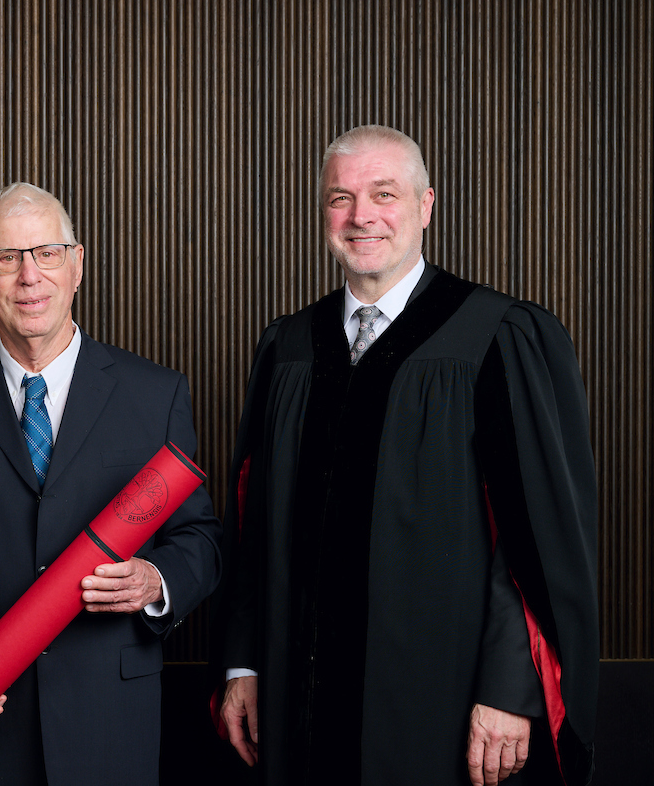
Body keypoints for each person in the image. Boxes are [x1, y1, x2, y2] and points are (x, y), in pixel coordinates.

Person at [214, 126, 598, 786]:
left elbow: (540, 534)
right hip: (294, 699)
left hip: (441, 703)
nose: (361, 216)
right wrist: (242, 662)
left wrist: (510, 686)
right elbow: (255, 526)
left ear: (425, 205)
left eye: (383, 194)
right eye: (342, 197)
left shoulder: (498, 337)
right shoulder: (287, 349)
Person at [0, 182, 222, 785]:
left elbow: (201, 540)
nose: (28, 276)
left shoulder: (155, 395)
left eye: (46, 253)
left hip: (111, 725)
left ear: (77, 264)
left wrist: (156, 580)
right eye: (6, 258)